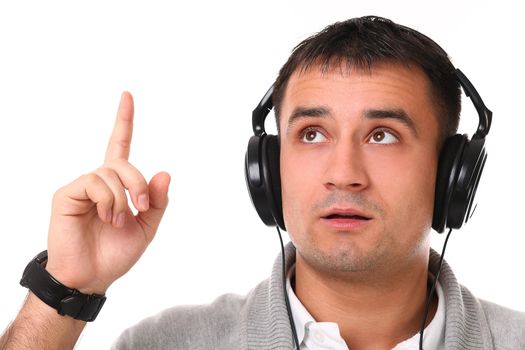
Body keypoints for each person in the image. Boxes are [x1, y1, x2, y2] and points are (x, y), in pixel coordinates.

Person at [0, 15, 523, 350]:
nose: (344, 173)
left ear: (455, 172)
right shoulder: (165, 345)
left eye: (382, 136)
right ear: (268, 167)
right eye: (312, 133)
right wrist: (64, 291)